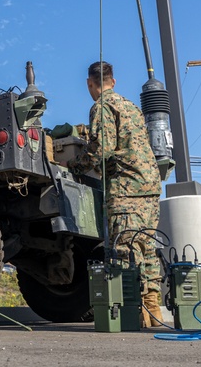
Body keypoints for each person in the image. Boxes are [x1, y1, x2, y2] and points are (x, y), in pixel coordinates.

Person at [68, 61, 164, 328]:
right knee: (146, 248)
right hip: (149, 186)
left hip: (125, 188)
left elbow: (102, 150)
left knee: (125, 249)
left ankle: (135, 313)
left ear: (90, 83)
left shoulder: (101, 107)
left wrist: (75, 166)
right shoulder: (131, 107)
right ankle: (153, 310)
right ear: (114, 81)